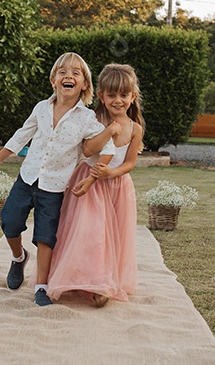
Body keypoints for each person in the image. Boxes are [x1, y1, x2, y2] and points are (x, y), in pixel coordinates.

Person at [0, 52, 118, 306]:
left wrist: (91, 180)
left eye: (76, 73)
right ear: (53, 80)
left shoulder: (87, 119)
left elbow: (107, 149)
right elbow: (23, 134)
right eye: (63, 72)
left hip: (54, 187)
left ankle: (41, 287)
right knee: (9, 221)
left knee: (45, 236)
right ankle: (19, 258)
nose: (69, 76)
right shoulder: (41, 108)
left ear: (84, 84)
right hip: (27, 178)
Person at [47, 63, 143, 307]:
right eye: (111, 95)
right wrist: (109, 131)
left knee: (114, 236)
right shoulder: (94, 119)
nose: (118, 100)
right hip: (89, 183)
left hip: (118, 185)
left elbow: (130, 162)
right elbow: (87, 150)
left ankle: (105, 282)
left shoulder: (135, 129)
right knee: (91, 232)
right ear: (101, 95)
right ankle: (84, 278)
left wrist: (112, 172)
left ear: (133, 96)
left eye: (124, 95)